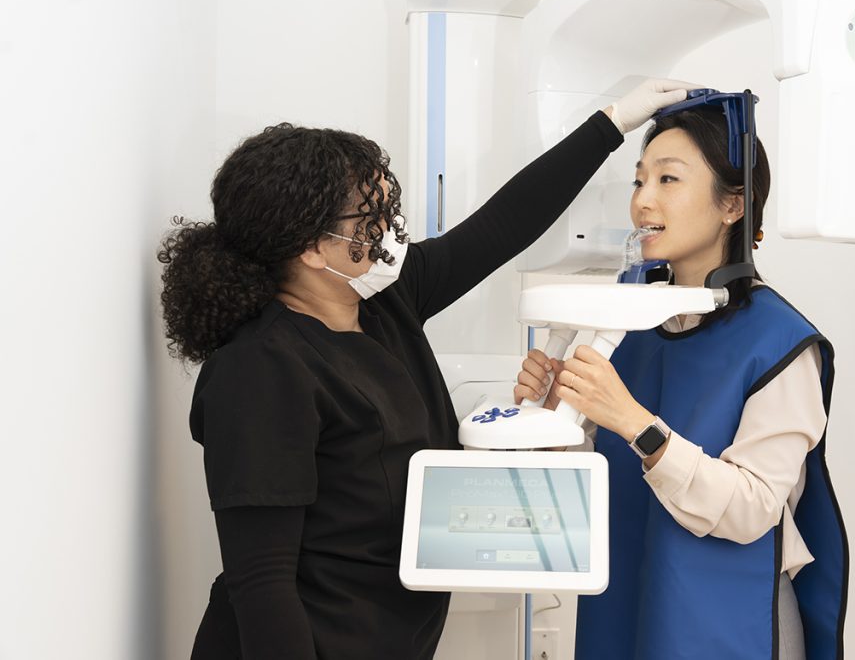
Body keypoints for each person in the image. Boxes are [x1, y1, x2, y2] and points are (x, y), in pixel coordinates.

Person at [157, 79, 696, 659]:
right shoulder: (259, 372)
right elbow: (261, 585)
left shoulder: (383, 302)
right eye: (371, 216)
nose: (390, 228)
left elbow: (501, 227)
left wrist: (612, 122)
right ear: (310, 248)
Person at [514, 105, 848, 660]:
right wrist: (553, 418)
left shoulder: (780, 343)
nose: (643, 200)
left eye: (668, 179)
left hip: (728, 624)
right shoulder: (629, 326)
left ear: (732, 205)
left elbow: (752, 508)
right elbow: (592, 482)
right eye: (640, 179)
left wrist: (633, 422)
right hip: (627, 605)